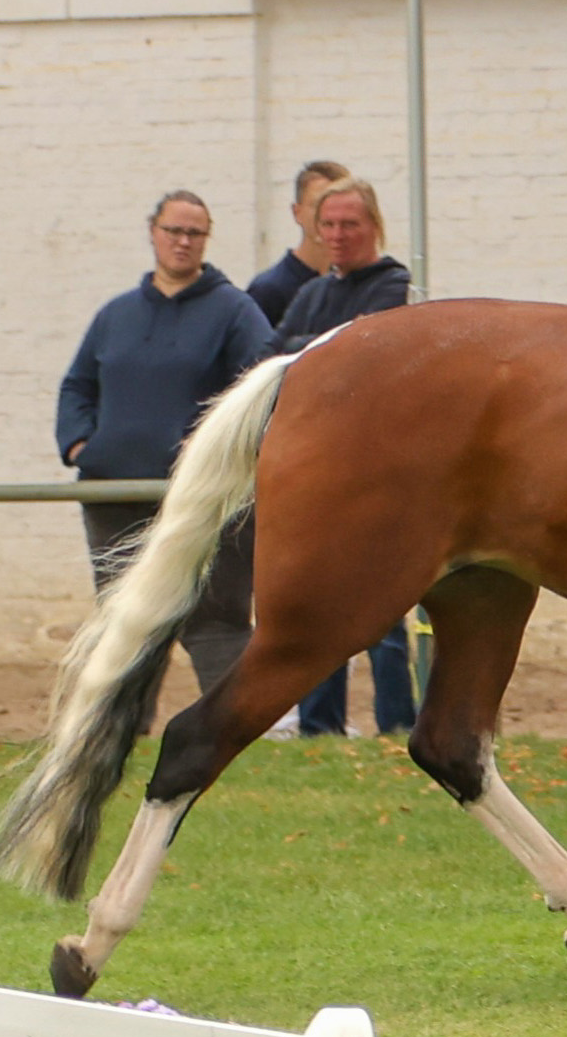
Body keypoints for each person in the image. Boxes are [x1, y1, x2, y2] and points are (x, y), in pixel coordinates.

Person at [56, 190, 273, 727]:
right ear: (153, 232)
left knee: (215, 624)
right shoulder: (116, 315)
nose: (183, 242)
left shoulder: (235, 312)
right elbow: (77, 385)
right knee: (126, 623)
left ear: (207, 239)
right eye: (173, 231)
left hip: (203, 500)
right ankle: (116, 736)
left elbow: (264, 387)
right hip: (114, 496)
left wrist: (210, 447)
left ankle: (235, 735)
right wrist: (82, 444)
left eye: (194, 233)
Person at [267, 175, 418, 736]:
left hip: (378, 471)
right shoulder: (313, 293)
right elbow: (271, 354)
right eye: (327, 224)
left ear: (373, 226)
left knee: (382, 611)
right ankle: (319, 727)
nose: (336, 235)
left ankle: (396, 725)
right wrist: (319, 348)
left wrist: (308, 351)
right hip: (323, 469)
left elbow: (359, 356)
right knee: (319, 604)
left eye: (348, 224)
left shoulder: (393, 287)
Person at [246, 160, 350, 327]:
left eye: (338, 206)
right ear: (297, 213)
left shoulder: (349, 284)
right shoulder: (268, 290)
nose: (328, 215)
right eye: (317, 205)